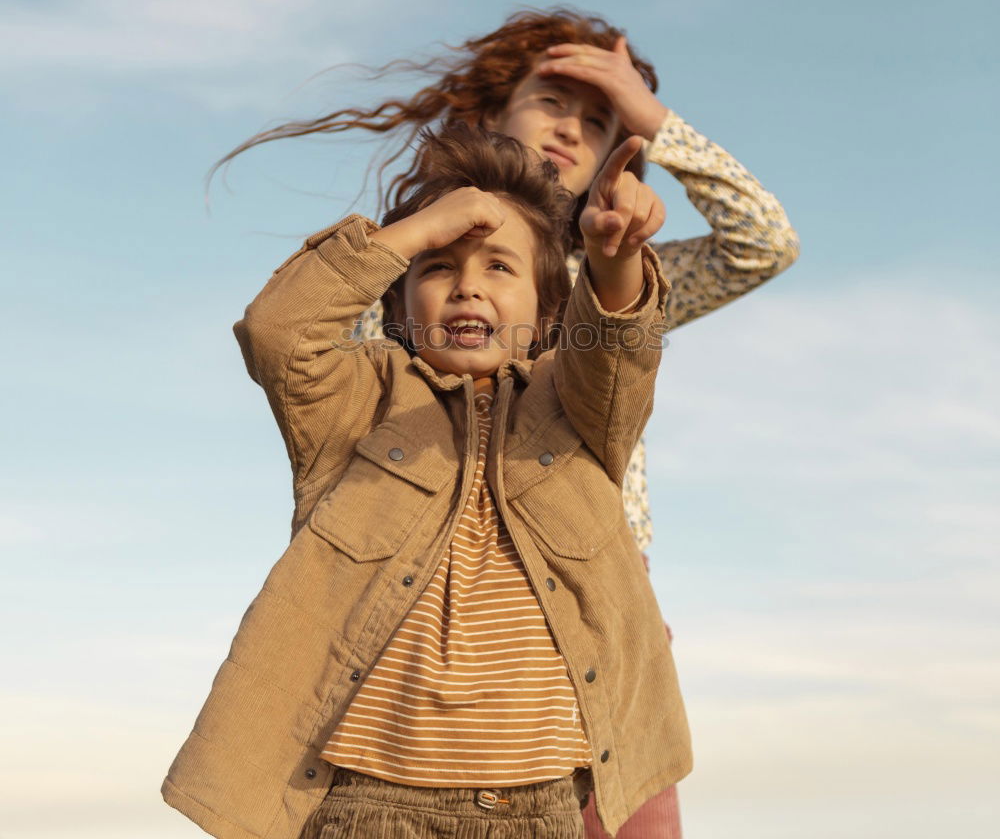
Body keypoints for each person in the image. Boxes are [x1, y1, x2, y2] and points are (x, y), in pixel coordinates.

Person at [209, 7, 800, 837]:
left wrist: (651, 125)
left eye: (599, 119)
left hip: (592, 613)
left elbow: (759, 246)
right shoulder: (405, 288)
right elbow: (292, 349)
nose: (572, 126)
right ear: (487, 116)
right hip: (412, 618)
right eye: (552, 100)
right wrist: (423, 233)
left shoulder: (610, 284)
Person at [162, 123, 689, 839]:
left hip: (538, 809)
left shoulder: (573, 409)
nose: (468, 284)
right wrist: (417, 228)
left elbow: (620, 353)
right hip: (365, 805)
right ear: (401, 308)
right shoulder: (360, 401)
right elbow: (279, 333)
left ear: (547, 316)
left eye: (499, 268)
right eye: (438, 266)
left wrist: (614, 259)